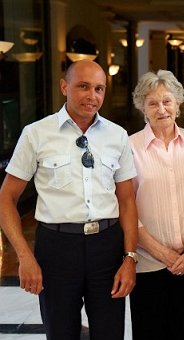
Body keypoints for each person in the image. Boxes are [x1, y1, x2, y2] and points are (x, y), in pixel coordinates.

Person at [0, 60, 138, 340]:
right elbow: (6, 197)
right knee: (60, 332)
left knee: (110, 333)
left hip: (106, 247)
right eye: (83, 86)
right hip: (57, 249)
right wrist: (24, 257)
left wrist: (130, 258)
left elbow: (127, 201)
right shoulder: (36, 134)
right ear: (64, 87)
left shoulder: (117, 135)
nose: (92, 96)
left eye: (99, 89)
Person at [129, 69, 184, 340]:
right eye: (152, 103)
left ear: (178, 103)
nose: (161, 109)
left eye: (167, 101)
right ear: (143, 108)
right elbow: (126, 208)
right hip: (148, 265)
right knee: (150, 332)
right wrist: (163, 254)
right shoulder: (129, 147)